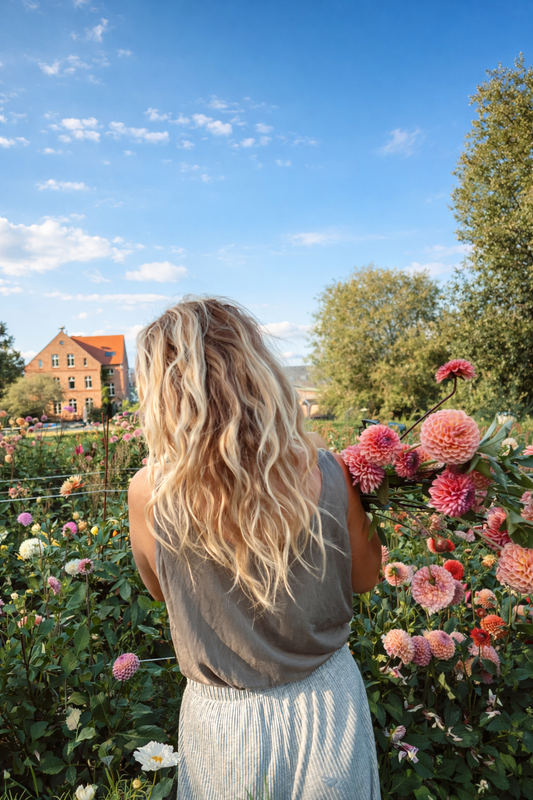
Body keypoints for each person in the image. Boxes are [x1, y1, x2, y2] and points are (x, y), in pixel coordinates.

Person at [129, 297, 381, 800]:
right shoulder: (328, 471)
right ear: (257, 371)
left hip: (224, 722)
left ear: (163, 394)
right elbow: (367, 578)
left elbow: (160, 591)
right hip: (326, 701)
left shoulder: (148, 492)